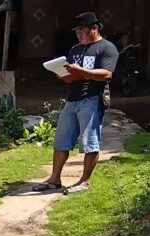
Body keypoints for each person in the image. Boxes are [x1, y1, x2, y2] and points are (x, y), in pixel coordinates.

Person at [32, 12, 118, 195]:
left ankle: (84, 181)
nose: (79, 35)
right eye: (77, 32)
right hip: (71, 100)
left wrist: (81, 70)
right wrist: (63, 74)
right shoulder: (76, 49)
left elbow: (107, 74)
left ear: (95, 28)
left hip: (92, 99)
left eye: (82, 31)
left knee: (89, 142)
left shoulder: (107, 48)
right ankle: (54, 179)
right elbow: (72, 75)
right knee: (61, 141)